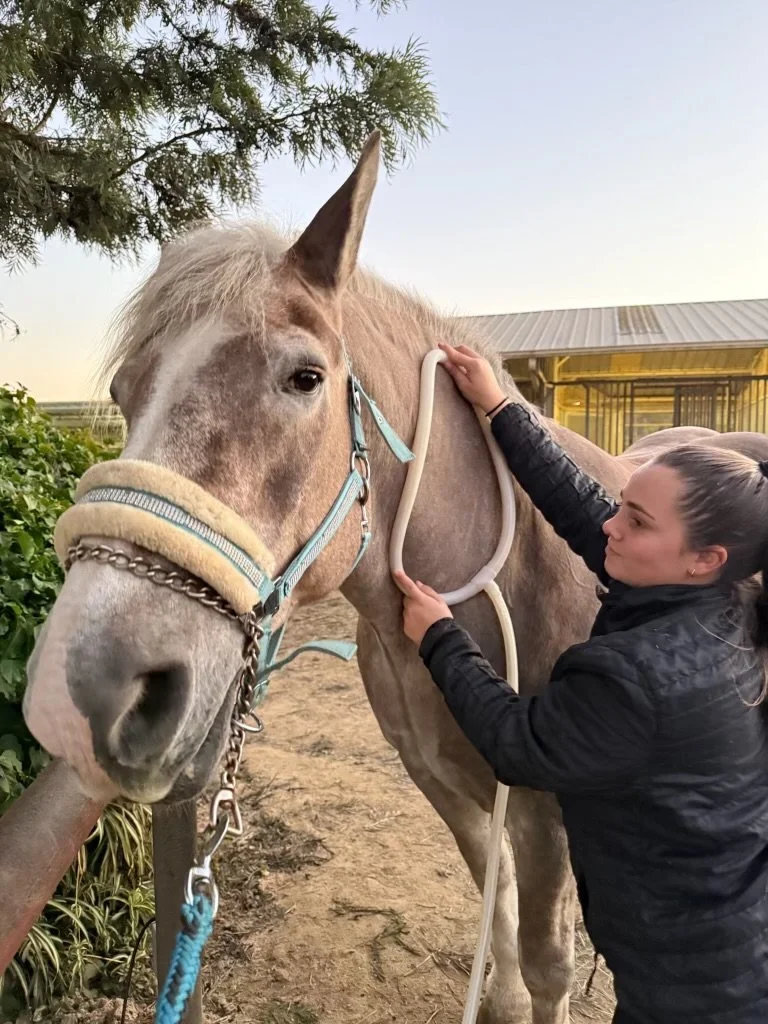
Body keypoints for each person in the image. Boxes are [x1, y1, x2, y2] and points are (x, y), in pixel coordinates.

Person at [394, 342, 768, 1024]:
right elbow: (582, 509)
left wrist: (440, 637)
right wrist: (502, 407)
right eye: (626, 507)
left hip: (695, 983)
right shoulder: (723, 597)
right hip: (723, 931)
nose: (611, 526)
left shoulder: (636, 677)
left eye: (636, 521)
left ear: (703, 558)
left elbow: (516, 743)